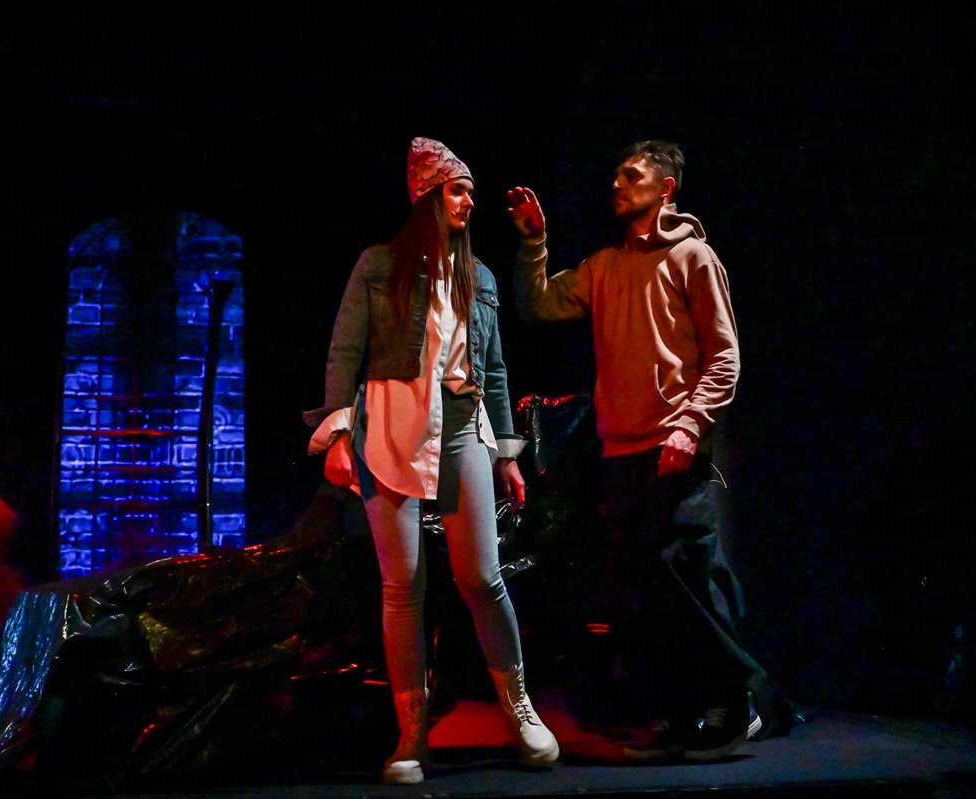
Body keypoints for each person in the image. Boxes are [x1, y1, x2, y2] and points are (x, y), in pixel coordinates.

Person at [306, 137, 559, 785]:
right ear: (427, 196)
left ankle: (519, 708)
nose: (470, 202)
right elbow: (344, 352)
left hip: (462, 426)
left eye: (471, 191)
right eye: (458, 190)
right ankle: (411, 732)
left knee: (481, 575)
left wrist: (508, 454)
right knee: (403, 585)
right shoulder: (379, 264)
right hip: (390, 426)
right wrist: (337, 433)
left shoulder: (482, 278)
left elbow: (494, 370)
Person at [506, 140, 762, 760]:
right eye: (616, 174)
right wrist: (535, 244)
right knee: (640, 590)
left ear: (666, 188)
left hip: (673, 443)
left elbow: (724, 356)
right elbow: (539, 304)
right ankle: (678, 714)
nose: (617, 183)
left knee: (683, 575)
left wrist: (690, 426)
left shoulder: (693, 257)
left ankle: (734, 702)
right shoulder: (604, 266)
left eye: (632, 174)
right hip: (619, 450)